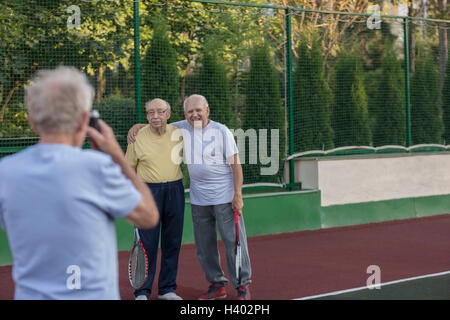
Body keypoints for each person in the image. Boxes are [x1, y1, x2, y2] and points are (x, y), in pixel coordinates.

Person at [0, 66, 159, 300]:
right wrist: (117, 155)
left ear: (32, 121)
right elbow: (149, 217)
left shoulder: (5, 172)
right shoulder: (97, 167)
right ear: (85, 119)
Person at [128, 94, 252, 300]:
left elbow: (236, 165)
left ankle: (243, 286)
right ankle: (216, 284)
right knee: (205, 247)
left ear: (207, 111)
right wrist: (138, 126)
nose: (194, 115)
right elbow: (158, 120)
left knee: (234, 243)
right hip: (198, 199)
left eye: (198, 110)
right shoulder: (181, 128)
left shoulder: (221, 131)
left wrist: (238, 194)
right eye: (190, 111)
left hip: (225, 197)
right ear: (184, 114)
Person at [125, 98, 185, 301]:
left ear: (168, 114)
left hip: (175, 190)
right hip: (148, 192)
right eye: (151, 113)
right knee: (146, 244)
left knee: (173, 241)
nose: (155, 116)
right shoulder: (137, 137)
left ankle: (167, 289)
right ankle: (142, 291)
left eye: (160, 112)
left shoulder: (179, 133)